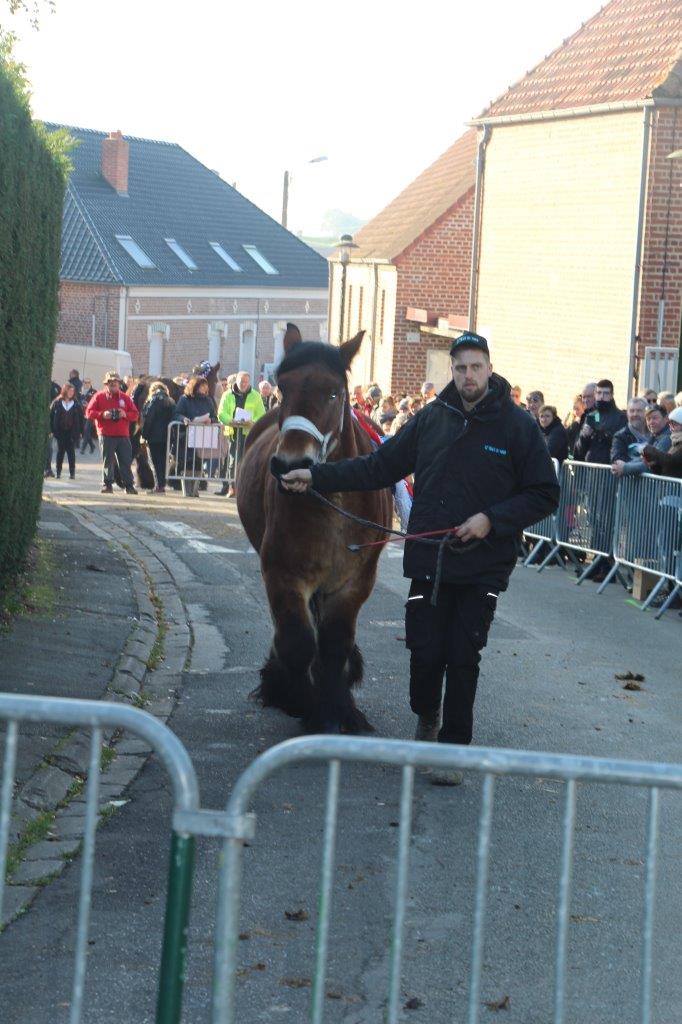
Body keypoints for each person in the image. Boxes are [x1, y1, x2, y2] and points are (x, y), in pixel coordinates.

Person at [280, 331, 559, 785]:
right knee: (426, 655)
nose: (468, 376)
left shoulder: (517, 426)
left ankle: (453, 752)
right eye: (461, 368)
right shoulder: (433, 419)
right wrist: (315, 476)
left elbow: (545, 492)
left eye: (476, 367)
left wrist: (491, 518)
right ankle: (427, 715)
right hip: (430, 559)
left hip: (483, 563)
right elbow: (379, 467)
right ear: (452, 370)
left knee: (463, 655)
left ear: (489, 369)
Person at [86, 371, 139, 495]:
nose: (113, 385)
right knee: (108, 461)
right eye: (111, 383)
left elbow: (135, 414)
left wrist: (125, 414)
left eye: (115, 383)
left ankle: (129, 485)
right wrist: (102, 414)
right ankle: (107, 484)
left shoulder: (125, 398)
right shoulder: (99, 396)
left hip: (123, 435)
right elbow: (88, 412)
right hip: (106, 434)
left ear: (119, 384)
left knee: (125, 461)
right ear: (106, 384)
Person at [216, 370, 266, 496]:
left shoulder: (256, 396)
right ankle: (233, 488)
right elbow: (221, 413)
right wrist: (230, 421)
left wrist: (252, 423)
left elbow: (262, 415)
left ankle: (245, 488)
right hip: (233, 432)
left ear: (249, 382)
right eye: (241, 381)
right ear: (236, 381)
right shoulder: (227, 395)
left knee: (247, 461)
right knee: (233, 461)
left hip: (249, 433)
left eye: (246, 381)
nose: (243, 384)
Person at [173, 376, 218, 497]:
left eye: (206, 386)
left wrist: (211, 420)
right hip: (187, 435)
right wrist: (184, 419)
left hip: (203, 436)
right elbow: (177, 414)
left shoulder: (208, 400)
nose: (205, 388)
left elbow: (214, 416)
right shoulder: (185, 399)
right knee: (187, 462)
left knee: (199, 463)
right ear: (195, 386)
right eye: (202, 386)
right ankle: (187, 490)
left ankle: (194, 489)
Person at [573, 379, 626, 464]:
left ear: (611, 395)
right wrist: (584, 436)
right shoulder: (592, 415)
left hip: (609, 469)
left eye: (606, 393)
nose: (601, 396)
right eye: (599, 393)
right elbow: (579, 450)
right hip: (590, 469)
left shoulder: (620, 417)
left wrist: (603, 434)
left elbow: (621, 444)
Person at [141, 381, 176, 492]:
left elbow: (149, 419)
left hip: (154, 437)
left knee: (155, 462)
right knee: (163, 461)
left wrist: (144, 435)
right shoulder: (171, 401)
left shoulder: (153, 400)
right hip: (167, 436)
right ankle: (162, 485)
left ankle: (159, 486)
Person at [49, 383, 84, 479]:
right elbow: (51, 417)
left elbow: (81, 419)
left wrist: (81, 431)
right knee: (60, 452)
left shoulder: (76, 404)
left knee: (71, 453)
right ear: (65, 391)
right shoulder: (57, 403)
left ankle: (72, 473)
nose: (71, 393)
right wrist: (51, 430)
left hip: (71, 432)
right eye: (69, 391)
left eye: (73, 391)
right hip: (60, 432)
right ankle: (58, 472)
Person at [610, 397, 652, 477]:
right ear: (627, 413)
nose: (635, 414)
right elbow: (617, 460)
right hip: (629, 485)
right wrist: (642, 464)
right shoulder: (620, 436)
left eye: (639, 411)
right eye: (632, 411)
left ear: (646, 412)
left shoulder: (654, 434)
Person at [642, 406, 682, 478]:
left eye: (675, 424)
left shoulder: (677, 441)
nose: (671, 427)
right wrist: (653, 465)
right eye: (670, 424)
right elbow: (667, 466)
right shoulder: (676, 440)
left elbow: (671, 461)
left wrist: (651, 451)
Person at [79, 379, 97, 453]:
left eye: (88, 382)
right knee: (85, 431)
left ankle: (83, 448)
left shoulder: (94, 392)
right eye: (85, 382)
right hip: (82, 414)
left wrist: (88, 405)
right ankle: (92, 446)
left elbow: (96, 403)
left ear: (90, 383)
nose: (86, 384)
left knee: (86, 429)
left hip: (90, 414)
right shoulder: (80, 391)